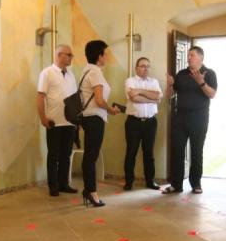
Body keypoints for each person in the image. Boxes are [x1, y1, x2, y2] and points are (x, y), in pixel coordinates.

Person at [163, 46, 217, 194]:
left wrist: (201, 82)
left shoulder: (209, 73)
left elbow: (212, 94)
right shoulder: (181, 74)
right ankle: (176, 184)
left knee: (196, 151)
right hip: (180, 117)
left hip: (199, 118)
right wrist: (170, 85)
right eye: (188, 55)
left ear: (201, 57)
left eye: (192, 55)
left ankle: (196, 184)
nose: (188, 58)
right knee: (177, 151)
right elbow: (169, 95)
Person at [79, 40, 120, 207]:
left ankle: (88, 190)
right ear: (99, 56)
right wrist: (111, 110)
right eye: (105, 53)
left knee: (90, 155)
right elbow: (99, 100)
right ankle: (91, 192)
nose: (107, 56)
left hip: (89, 117)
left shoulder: (86, 70)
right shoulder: (95, 72)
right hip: (94, 117)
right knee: (91, 156)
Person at [37, 45, 79, 197]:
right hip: (54, 121)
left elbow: (75, 99)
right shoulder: (47, 73)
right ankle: (53, 186)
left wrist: (77, 120)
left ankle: (63, 184)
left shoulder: (71, 75)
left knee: (66, 155)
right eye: (69, 55)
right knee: (53, 155)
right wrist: (43, 118)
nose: (71, 57)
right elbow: (40, 97)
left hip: (70, 122)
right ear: (59, 55)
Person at [123, 57, 163, 190]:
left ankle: (150, 181)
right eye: (142, 66)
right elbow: (134, 98)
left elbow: (158, 96)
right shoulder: (130, 81)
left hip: (150, 123)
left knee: (149, 153)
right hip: (134, 123)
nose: (146, 68)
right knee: (131, 152)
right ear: (136, 68)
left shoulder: (154, 82)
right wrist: (152, 100)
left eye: (147, 66)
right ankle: (129, 182)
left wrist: (140, 91)